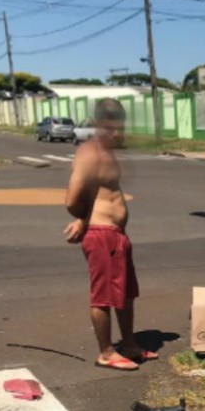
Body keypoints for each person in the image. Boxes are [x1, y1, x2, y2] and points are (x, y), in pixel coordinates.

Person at [65, 98, 157, 371]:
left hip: (117, 236)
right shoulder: (89, 153)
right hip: (102, 234)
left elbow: (96, 189)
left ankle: (128, 344)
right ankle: (106, 352)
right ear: (96, 124)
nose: (116, 134)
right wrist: (83, 219)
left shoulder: (106, 152)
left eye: (119, 128)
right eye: (110, 128)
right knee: (103, 297)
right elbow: (72, 199)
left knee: (126, 294)